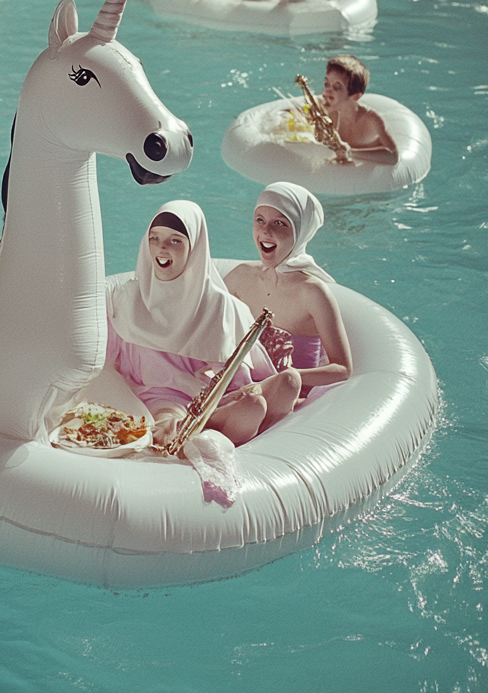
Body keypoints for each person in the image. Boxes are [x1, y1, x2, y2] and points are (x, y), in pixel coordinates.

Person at [107, 200, 301, 447]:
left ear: (194, 247)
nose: (162, 248)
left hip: (206, 394)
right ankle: (195, 432)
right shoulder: (127, 298)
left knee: (288, 382)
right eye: (154, 238)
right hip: (163, 401)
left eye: (175, 240)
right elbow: (100, 359)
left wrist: (238, 396)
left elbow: (234, 378)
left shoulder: (215, 303)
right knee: (251, 408)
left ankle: (208, 431)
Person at [224, 183, 352, 401]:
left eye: (279, 223)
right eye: (260, 220)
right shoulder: (241, 277)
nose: (265, 230)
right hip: (239, 387)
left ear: (301, 232)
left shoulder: (312, 292)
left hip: (287, 398)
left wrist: (279, 378)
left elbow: (342, 369)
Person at [321, 54, 399, 164]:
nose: (327, 91)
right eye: (326, 84)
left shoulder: (371, 120)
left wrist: (351, 153)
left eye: (337, 87)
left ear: (355, 96)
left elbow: (393, 156)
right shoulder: (327, 114)